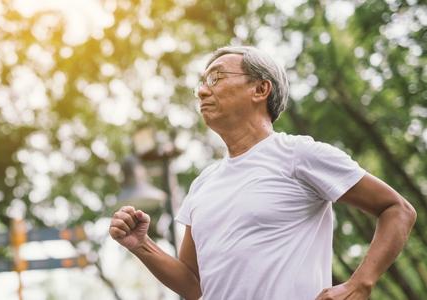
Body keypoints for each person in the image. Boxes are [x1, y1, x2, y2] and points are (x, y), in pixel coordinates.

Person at [108, 46, 416, 300]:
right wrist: (143, 245)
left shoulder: (298, 155)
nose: (202, 91)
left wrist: (359, 284)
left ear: (260, 88)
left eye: (215, 77)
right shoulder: (203, 184)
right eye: (200, 83)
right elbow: (193, 283)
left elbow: (397, 209)